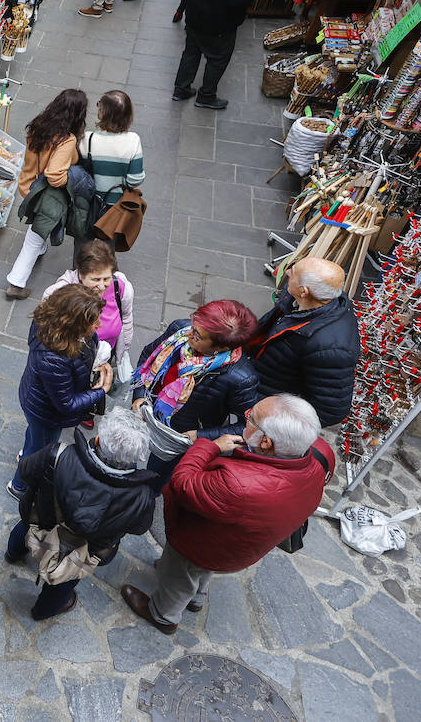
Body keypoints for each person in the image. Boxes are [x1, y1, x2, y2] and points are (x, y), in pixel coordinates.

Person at [121, 394, 334, 633]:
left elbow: (182, 483)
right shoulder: (318, 458)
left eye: (251, 418)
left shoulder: (238, 484)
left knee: (178, 575)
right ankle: (196, 599)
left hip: (198, 543)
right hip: (233, 545)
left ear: (266, 442)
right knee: (202, 570)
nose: (245, 418)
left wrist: (209, 446)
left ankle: (162, 615)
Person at [3, 407, 158, 620]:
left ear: (97, 441)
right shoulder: (142, 496)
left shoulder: (59, 454)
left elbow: (25, 471)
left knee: (24, 530)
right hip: (84, 550)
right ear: (135, 458)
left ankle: (12, 554)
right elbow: (139, 528)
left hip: (41, 521)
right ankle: (42, 611)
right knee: (64, 582)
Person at [131, 300, 262, 485]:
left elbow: (247, 426)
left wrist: (199, 436)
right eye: (194, 325)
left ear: (221, 348)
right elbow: (147, 356)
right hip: (145, 412)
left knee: (156, 472)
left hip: (176, 435)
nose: (188, 333)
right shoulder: (180, 329)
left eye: (197, 335)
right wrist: (139, 396)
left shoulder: (241, 378)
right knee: (130, 450)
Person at [9, 285, 110, 500]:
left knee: (35, 438)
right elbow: (67, 404)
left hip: (37, 402)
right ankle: (19, 486)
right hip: (45, 412)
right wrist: (102, 390)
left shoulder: (55, 329)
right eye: (93, 322)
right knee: (39, 451)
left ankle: (27, 453)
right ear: (74, 324)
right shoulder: (54, 357)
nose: (99, 325)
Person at [250, 257, 360, 427]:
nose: (286, 272)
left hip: (260, 404)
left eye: (292, 273)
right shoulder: (308, 298)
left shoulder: (332, 349)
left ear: (304, 291)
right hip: (254, 377)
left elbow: (330, 410)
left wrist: (268, 419)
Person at [5, 89, 87, 299]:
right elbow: (54, 175)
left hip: (28, 185)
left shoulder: (39, 125)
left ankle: (40, 250)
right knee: (35, 236)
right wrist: (72, 179)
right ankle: (16, 282)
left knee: (38, 229)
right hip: (44, 194)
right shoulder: (66, 139)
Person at [171, 0, 258, 109]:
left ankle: (181, 89)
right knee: (218, 59)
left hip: (196, 15)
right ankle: (206, 96)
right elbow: (236, 0)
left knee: (191, 53)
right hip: (219, 24)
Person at [42, 240, 136, 382]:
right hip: (73, 359)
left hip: (105, 354)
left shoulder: (121, 288)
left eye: (106, 278)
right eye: (95, 279)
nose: (102, 285)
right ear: (81, 275)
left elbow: (127, 317)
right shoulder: (62, 294)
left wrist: (123, 350)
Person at [76, 91, 146, 209]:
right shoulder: (133, 140)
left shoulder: (88, 139)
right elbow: (136, 179)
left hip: (90, 204)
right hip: (117, 208)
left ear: (102, 113)